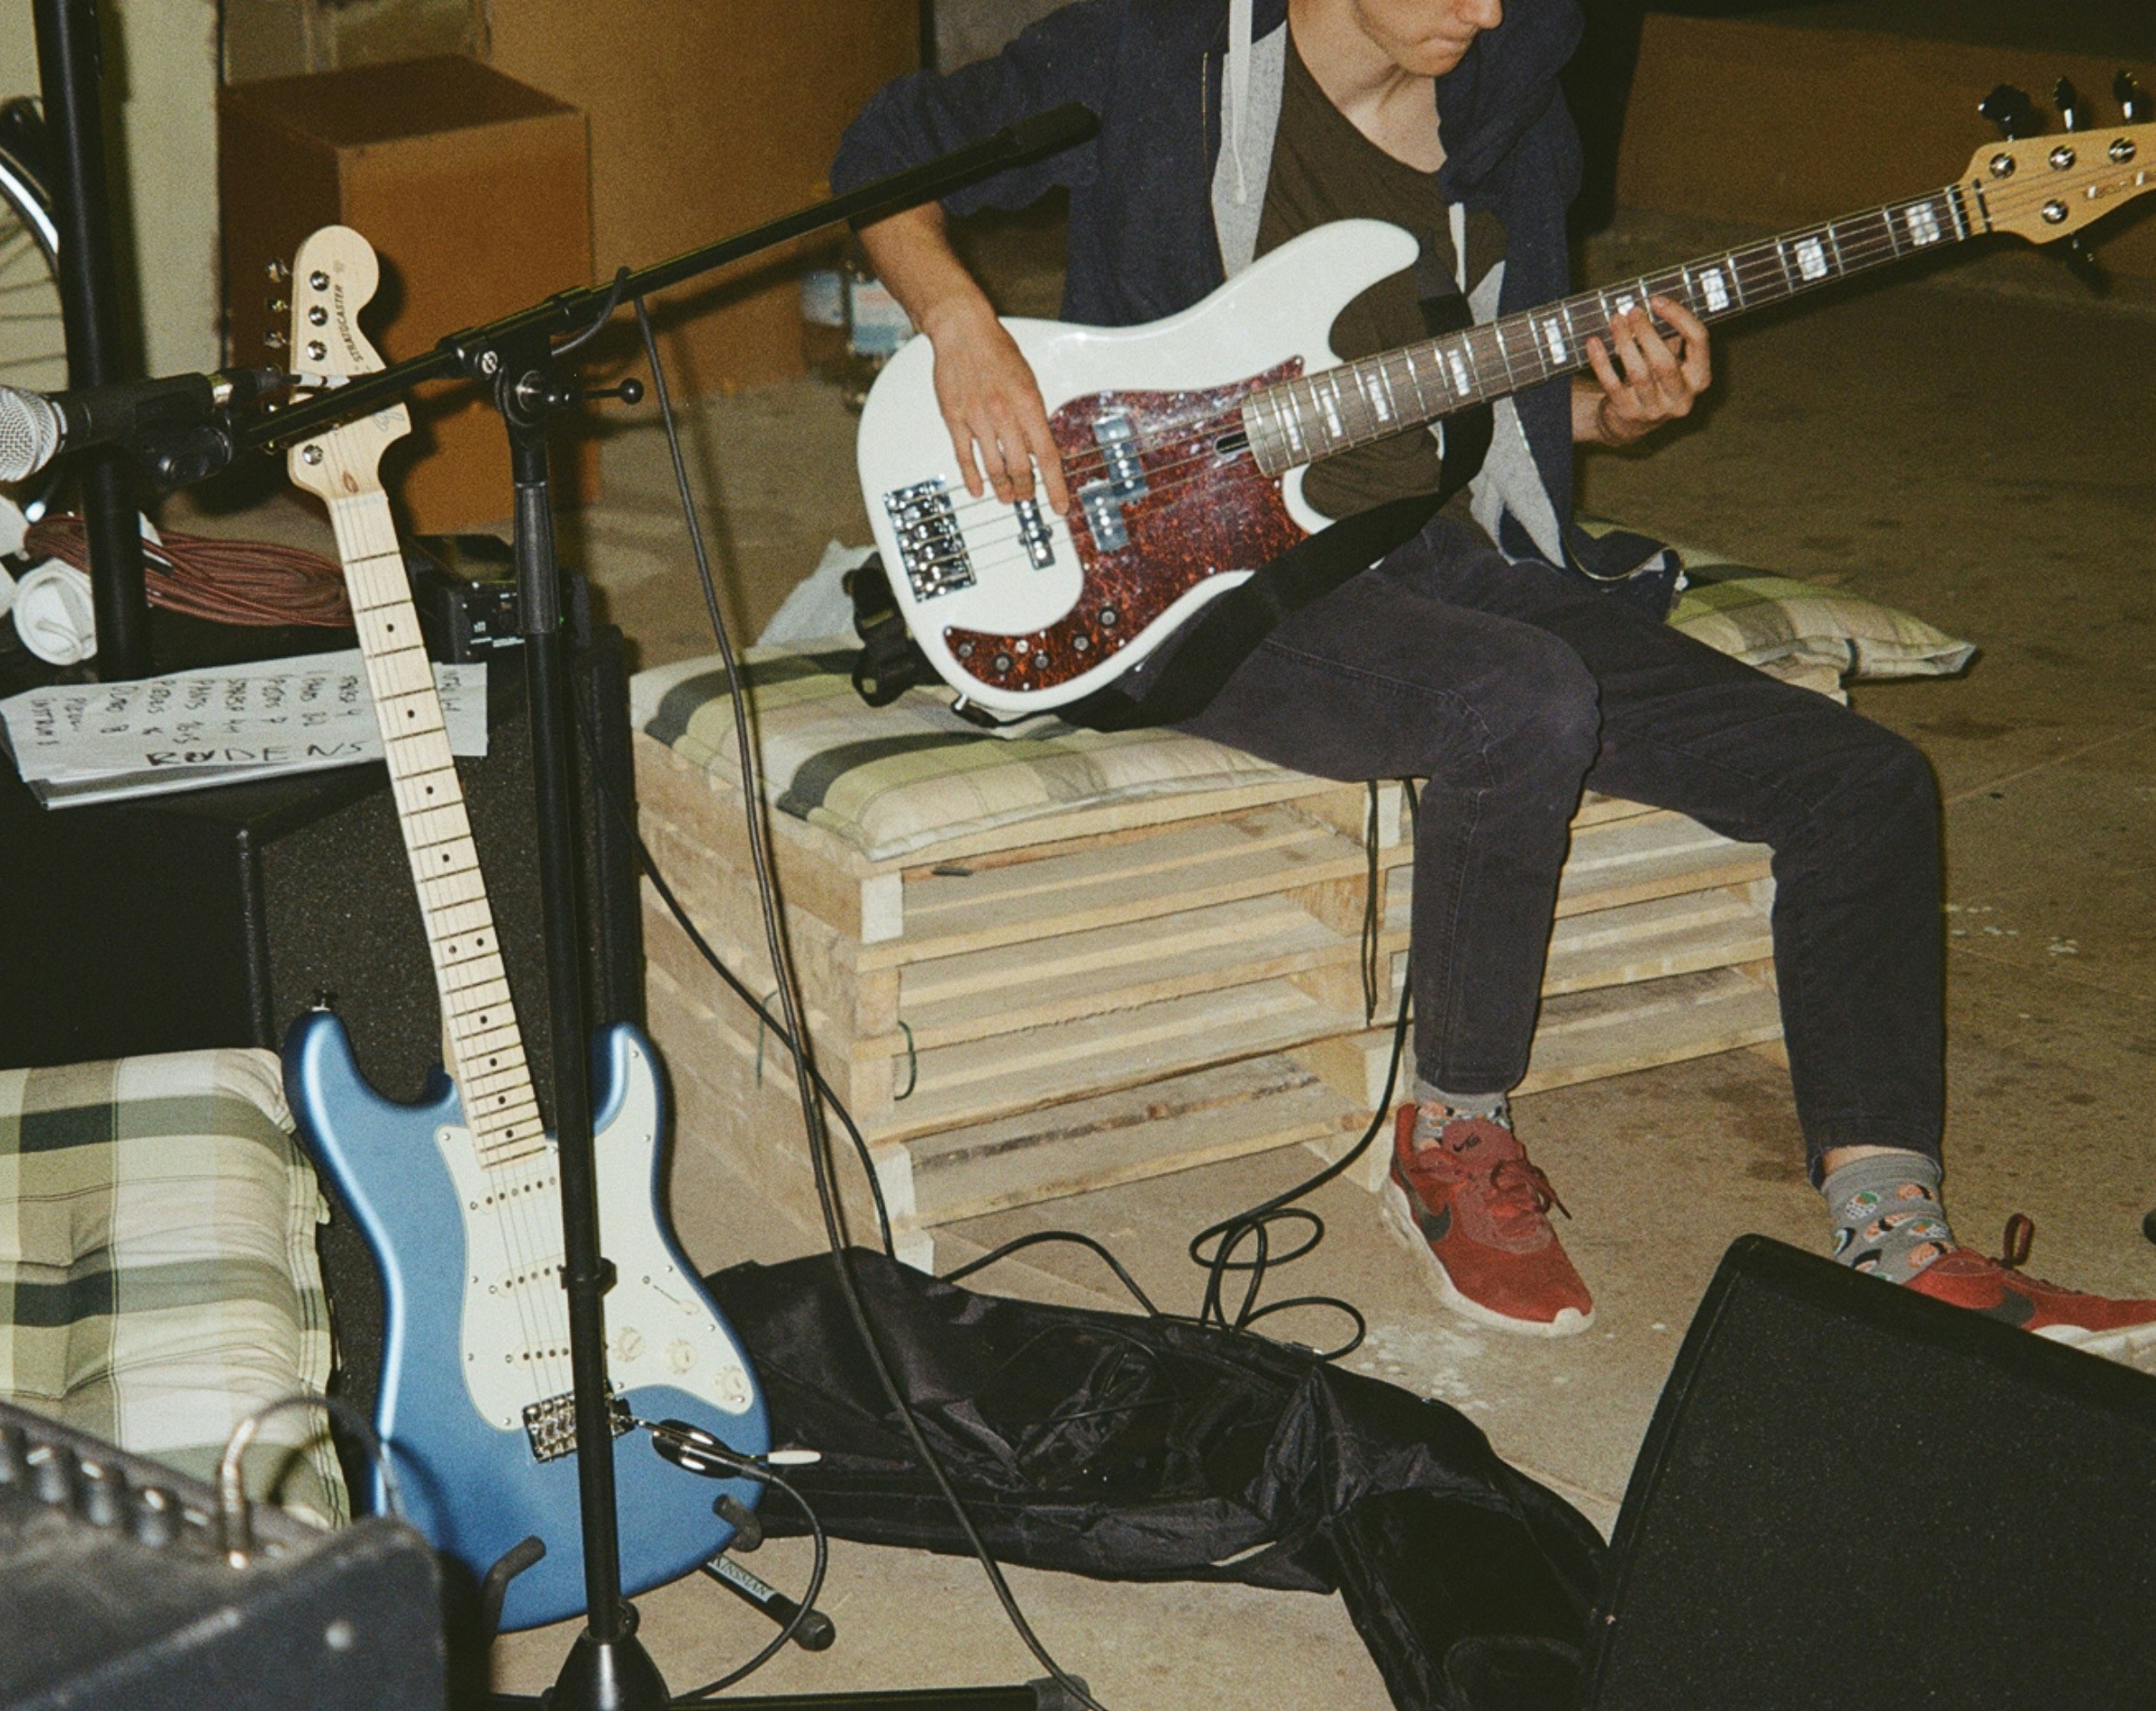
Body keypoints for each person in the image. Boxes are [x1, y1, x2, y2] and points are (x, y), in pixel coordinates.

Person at [832, 0, 2156, 1343]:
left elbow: (1477, 398)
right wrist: (963, 330)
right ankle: (1455, 1128)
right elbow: (885, 152)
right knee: (1517, 699)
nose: (1485, 11)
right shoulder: (1159, 49)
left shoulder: (1512, 111)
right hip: (1178, 582)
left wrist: (1610, 413)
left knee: (1864, 782)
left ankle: (1893, 1228)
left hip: (1426, 549)